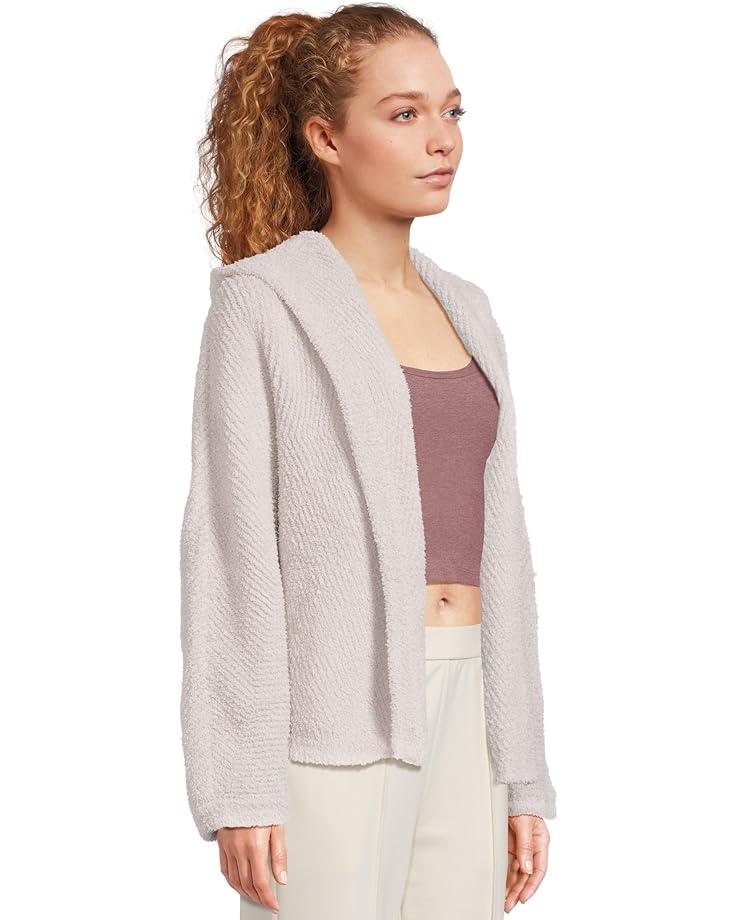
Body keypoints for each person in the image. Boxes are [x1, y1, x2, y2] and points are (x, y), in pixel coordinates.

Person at [179, 4, 557, 917]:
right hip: (332, 717)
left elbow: (505, 548)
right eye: (404, 114)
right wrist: (241, 783)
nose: (442, 139)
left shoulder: (470, 310)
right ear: (326, 138)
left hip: (471, 703)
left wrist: (523, 770)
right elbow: (231, 552)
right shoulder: (263, 303)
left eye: (452, 111)